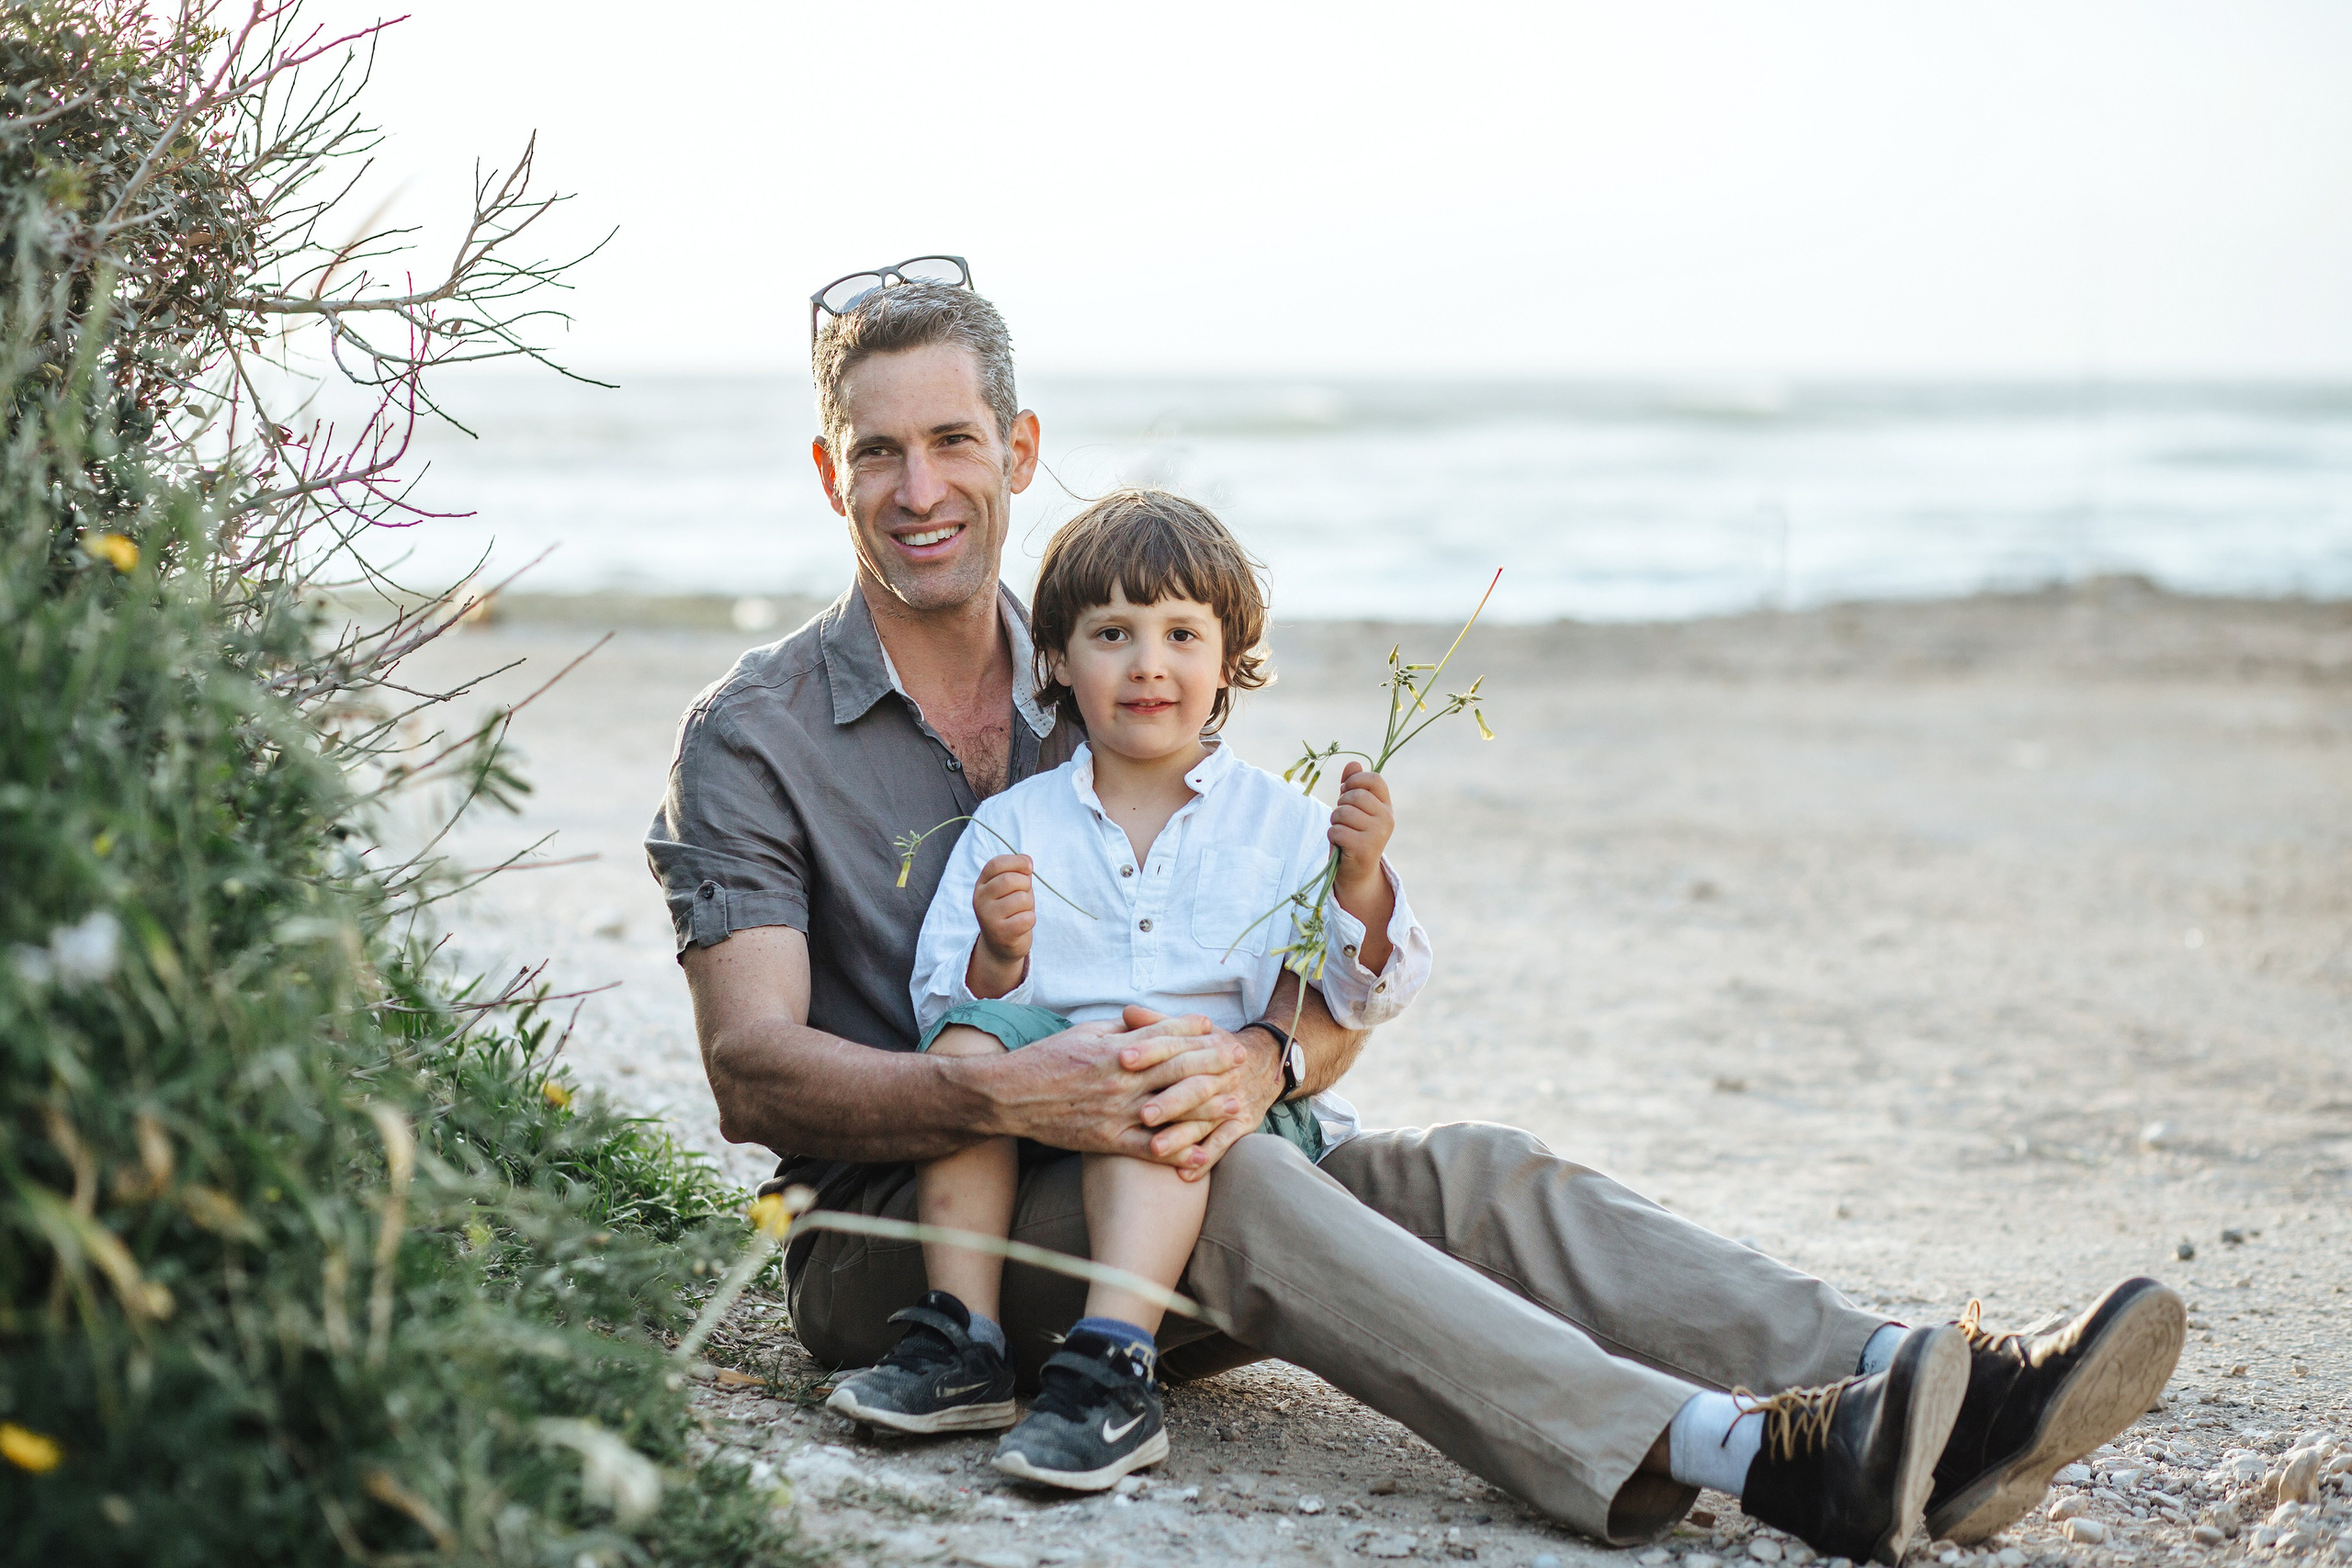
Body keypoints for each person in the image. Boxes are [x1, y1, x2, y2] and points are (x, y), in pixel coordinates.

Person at [646, 267, 2186, 1563]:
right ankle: (1747, 1450)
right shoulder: (755, 735)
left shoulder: (1113, 660)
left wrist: (1263, 1057)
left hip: (1164, 1170)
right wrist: (1005, 1088)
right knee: (1237, 1182)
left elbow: (1301, 984)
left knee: (1465, 1172)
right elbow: (751, 1071)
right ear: (829, 472)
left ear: (1019, 448)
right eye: (878, 452)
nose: (919, 489)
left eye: (951, 441)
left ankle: (1926, 1385)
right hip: (909, 1247)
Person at [823, 490, 1431, 1490]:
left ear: (1229, 658)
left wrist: (1360, 877)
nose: (1148, 663)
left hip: (1208, 1106)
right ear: (1059, 660)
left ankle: (1112, 1368)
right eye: (1112, 633)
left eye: (1181, 634)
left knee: (1151, 1069)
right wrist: (998, 954)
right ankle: (963, 1340)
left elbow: (1364, 989)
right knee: (968, 1051)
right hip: (1047, 1103)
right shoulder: (1017, 821)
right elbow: (944, 1005)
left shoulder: (1282, 822)